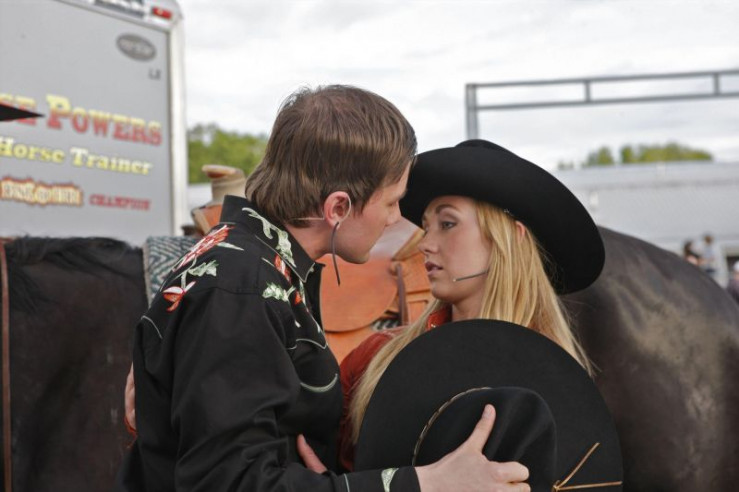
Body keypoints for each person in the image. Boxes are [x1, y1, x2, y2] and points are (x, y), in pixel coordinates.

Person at [116, 86, 530, 492]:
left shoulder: (257, 267)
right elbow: (229, 482)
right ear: (337, 208)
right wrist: (426, 484)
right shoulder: (244, 290)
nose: (395, 220)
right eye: (390, 203)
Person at [335, 139, 606, 472]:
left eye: (447, 224)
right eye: (426, 227)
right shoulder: (374, 358)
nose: (425, 244)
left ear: (510, 238)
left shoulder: (563, 383)